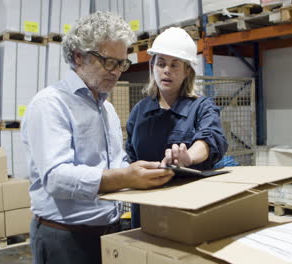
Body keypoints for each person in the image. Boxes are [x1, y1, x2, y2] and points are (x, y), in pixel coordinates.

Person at [21, 12, 174, 264]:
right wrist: (125, 177)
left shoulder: (106, 109)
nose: (116, 72)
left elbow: (113, 164)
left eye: (122, 63)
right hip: (64, 239)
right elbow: (57, 178)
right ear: (79, 56)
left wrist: (140, 172)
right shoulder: (50, 105)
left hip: (106, 233)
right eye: (108, 62)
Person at [125, 27, 229, 228]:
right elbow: (130, 155)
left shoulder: (201, 106)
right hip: (146, 207)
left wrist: (188, 157)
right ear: (152, 66)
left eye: (175, 65)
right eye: (161, 63)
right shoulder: (140, 110)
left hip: (188, 206)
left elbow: (211, 138)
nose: (166, 70)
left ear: (187, 71)